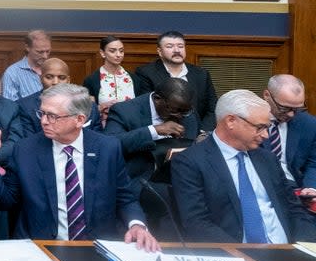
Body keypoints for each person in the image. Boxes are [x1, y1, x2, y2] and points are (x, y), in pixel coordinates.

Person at [0, 83, 159, 250]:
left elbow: (125, 197)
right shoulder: (25, 150)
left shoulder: (107, 148)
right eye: (42, 113)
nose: (44, 121)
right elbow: (6, 200)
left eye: (53, 116)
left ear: (79, 119)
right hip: (41, 247)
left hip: (95, 249)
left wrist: (137, 225)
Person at [171, 89, 316, 244]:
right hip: (236, 253)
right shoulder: (190, 162)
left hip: (286, 250)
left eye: (267, 127)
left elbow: (293, 208)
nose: (266, 135)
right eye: (259, 127)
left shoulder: (267, 158)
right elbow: (197, 223)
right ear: (231, 121)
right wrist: (243, 256)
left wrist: (306, 245)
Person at [104, 78, 198, 183]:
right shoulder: (124, 111)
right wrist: (153, 131)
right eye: (174, 110)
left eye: (185, 112)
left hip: (181, 179)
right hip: (139, 180)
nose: (180, 116)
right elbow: (109, 145)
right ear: (157, 99)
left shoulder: (185, 112)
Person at [133, 31, 218, 132]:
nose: (177, 50)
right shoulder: (146, 73)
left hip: (198, 133)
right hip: (163, 132)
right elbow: (146, 109)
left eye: (180, 46)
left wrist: (203, 132)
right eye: (170, 46)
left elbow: (212, 108)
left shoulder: (201, 74)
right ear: (160, 51)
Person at [15, 58, 100, 136]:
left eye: (61, 78)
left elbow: (97, 140)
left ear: (68, 80)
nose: (55, 82)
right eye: (49, 77)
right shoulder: (25, 106)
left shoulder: (90, 106)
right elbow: (29, 143)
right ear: (40, 79)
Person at [261, 74, 316, 187]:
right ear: (267, 95)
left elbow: (314, 164)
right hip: (261, 185)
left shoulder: (309, 124)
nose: (291, 114)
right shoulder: (248, 122)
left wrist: (311, 188)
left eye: (297, 108)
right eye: (284, 108)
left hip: (295, 187)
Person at [82, 36, 135, 126]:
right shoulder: (91, 80)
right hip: (103, 127)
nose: (118, 55)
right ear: (102, 53)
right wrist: (101, 107)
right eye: (112, 51)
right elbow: (87, 111)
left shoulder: (134, 78)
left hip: (130, 125)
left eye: (121, 51)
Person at [1, 29, 52, 101]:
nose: (45, 56)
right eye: (40, 52)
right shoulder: (12, 73)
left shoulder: (54, 68)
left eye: (48, 51)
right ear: (27, 47)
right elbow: (10, 106)